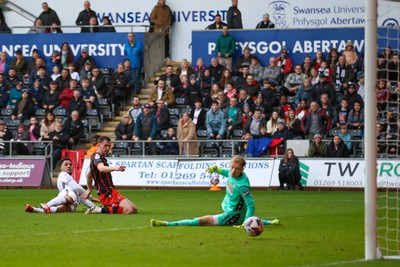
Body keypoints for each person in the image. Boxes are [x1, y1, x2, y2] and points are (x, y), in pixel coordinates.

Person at [151, 155, 280, 227]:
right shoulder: (232, 173)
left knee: (203, 221)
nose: (233, 171)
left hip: (232, 216)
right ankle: (269, 222)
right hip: (230, 209)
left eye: (237, 169)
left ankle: (168, 224)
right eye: (232, 167)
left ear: (242, 169)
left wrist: (246, 223)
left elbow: (251, 205)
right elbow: (227, 174)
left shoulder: (243, 185)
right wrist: (216, 169)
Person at [84, 136, 138, 214]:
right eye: (105, 145)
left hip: (110, 190)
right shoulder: (96, 156)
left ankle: (108, 207)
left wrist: (89, 189)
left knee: (134, 209)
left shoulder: (102, 158)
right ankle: (98, 210)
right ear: (99, 145)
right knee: (129, 210)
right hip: (105, 192)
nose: (108, 148)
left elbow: (89, 174)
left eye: (109, 146)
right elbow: (101, 168)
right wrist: (116, 168)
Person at [25, 158, 100, 213]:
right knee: (70, 198)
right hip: (66, 194)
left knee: (62, 209)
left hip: (72, 202)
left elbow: (83, 199)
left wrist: (97, 208)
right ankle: (47, 205)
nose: (69, 166)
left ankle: (34, 209)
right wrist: (90, 196)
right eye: (66, 164)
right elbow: (77, 187)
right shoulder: (64, 174)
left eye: (70, 165)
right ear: (61, 168)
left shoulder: (70, 178)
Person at [124, 32, 143, 97]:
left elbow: (141, 55)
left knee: (136, 79)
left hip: (136, 65)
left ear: (134, 37)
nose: (130, 37)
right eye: (129, 36)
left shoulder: (139, 44)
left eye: (132, 36)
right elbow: (126, 54)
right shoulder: (126, 44)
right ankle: (129, 94)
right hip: (129, 66)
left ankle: (136, 92)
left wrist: (138, 61)